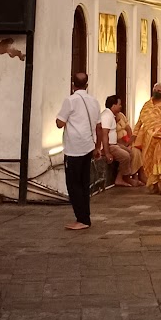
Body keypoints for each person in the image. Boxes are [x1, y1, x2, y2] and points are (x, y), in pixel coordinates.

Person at [55, 71, 103, 231]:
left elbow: (60, 123)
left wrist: (60, 119)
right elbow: (99, 127)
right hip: (88, 145)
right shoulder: (94, 101)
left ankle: (81, 218)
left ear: (72, 85)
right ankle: (85, 217)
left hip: (74, 148)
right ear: (87, 85)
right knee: (84, 183)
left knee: (73, 184)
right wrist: (98, 147)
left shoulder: (70, 101)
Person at [98, 96, 142, 187]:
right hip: (109, 145)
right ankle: (125, 178)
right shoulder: (106, 116)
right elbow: (104, 135)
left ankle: (121, 177)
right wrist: (107, 153)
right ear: (113, 105)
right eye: (119, 104)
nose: (121, 106)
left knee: (131, 153)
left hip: (114, 144)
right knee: (125, 156)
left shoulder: (113, 115)